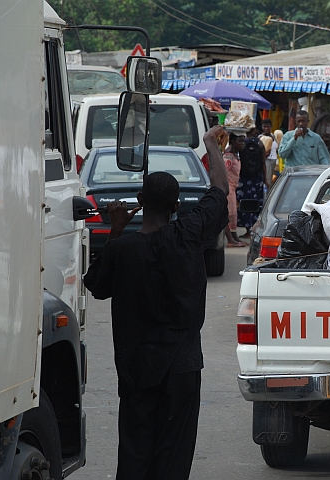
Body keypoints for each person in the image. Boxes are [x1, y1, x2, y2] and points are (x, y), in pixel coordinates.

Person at [83, 125, 229, 479]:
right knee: (174, 456)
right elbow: (220, 192)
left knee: (135, 453)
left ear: (140, 201)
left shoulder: (121, 250)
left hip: (137, 371)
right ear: (176, 206)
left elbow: (97, 287)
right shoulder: (190, 235)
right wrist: (211, 145)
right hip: (182, 366)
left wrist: (115, 229)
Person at [237, 132, 267, 237]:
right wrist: (265, 179)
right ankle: (255, 230)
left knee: (244, 204)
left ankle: (247, 230)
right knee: (256, 204)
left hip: (244, 179)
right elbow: (263, 162)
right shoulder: (260, 144)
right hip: (257, 179)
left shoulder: (241, 144)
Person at [224, 132, 248, 247]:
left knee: (233, 214)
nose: (243, 144)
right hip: (228, 187)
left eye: (243, 141)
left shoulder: (235, 155)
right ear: (233, 141)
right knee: (228, 214)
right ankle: (230, 239)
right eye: (240, 141)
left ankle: (234, 237)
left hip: (233, 187)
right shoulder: (228, 156)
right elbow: (224, 173)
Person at [259, 118, 278, 184]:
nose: (266, 128)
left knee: (271, 179)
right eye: (264, 126)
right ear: (262, 127)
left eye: (268, 126)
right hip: (267, 160)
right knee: (267, 179)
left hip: (273, 160)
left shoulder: (274, 136)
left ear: (271, 127)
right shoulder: (260, 137)